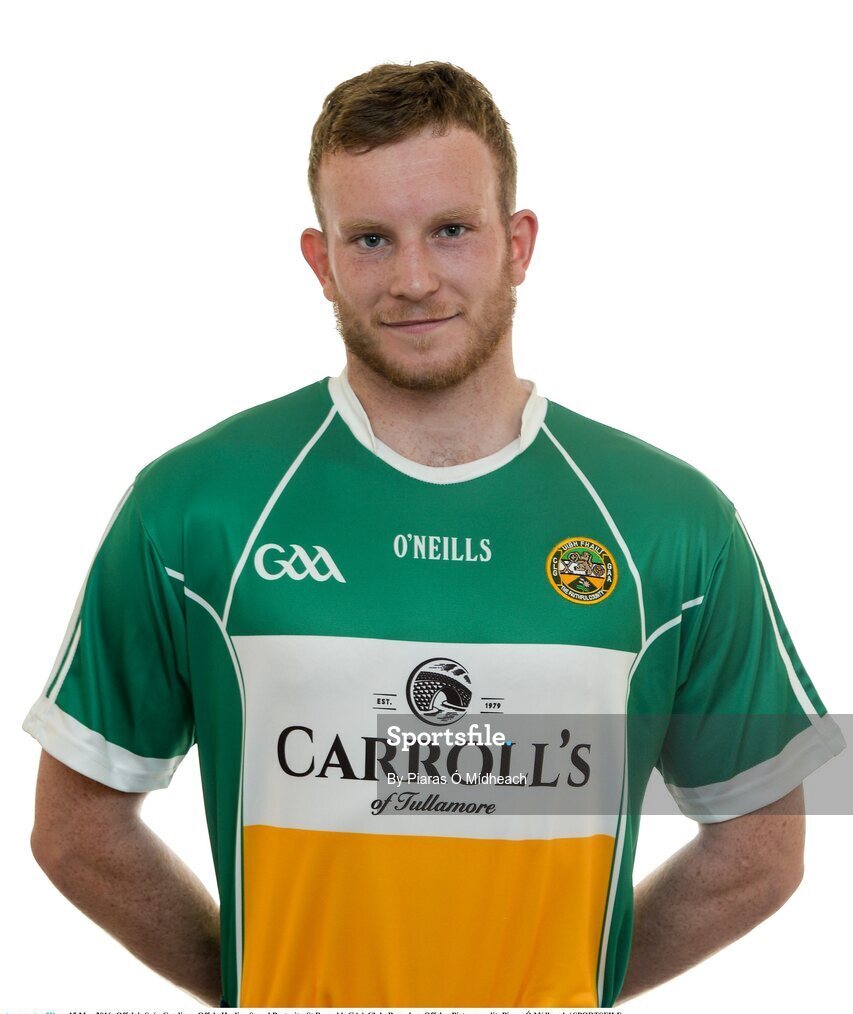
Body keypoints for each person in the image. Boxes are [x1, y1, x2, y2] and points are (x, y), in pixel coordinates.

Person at [23, 60, 846, 1009]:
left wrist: (575, 993)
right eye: (371, 239)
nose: (413, 280)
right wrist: (260, 989)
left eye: (451, 230)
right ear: (321, 261)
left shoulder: (671, 521)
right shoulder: (193, 506)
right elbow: (75, 832)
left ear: (518, 244)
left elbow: (761, 847)